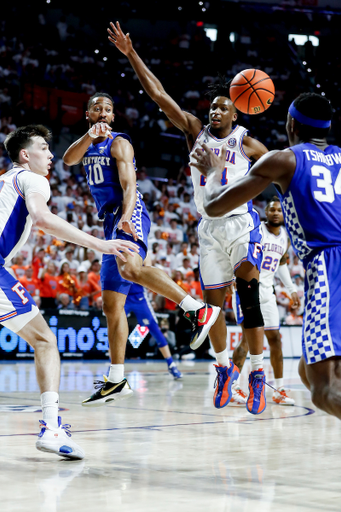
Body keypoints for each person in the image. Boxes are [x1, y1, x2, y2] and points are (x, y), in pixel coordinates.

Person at [108, 22, 269, 414]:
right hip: (209, 229)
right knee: (212, 308)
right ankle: (222, 369)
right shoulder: (194, 131)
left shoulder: (247, 141)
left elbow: (274, 174)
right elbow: (159, 95)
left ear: (237, 110)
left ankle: (257, 375)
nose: (215, 110)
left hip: (242, 223)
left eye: (223, 106)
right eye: (212, 106)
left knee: (247, 298)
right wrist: (131, 53)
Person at [62, 93, 219, 407]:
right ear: (88, 114)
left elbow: (129, 183)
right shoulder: (88, 143)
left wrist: (126, 216)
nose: (103, 113)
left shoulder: (119, 142)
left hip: (128, 211)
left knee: (131, 268)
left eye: (108, 109)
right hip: (108, 221)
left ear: (114, 116)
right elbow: (68, 159)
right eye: (97, 109)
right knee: (110, 305)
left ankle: (196, 309)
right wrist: (88, 135)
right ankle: (117, 378)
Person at [191, 92, 341, 421]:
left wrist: (213, 172)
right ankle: (235, 370)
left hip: (329, 267)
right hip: (324, 267)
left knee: (324, 389)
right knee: (307, 370)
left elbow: (215, 206)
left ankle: (254, 374)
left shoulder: (284, 159)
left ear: (291, 124)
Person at [2, 124, 139, 459]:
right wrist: (100, 244)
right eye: (44, 149)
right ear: (25, 155)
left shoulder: (5, 181)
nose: (50, 155)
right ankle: (51, 428)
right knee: (46, 342)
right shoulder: (32, 179)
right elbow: (43, 218)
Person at [231, 198, 300, 406]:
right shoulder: (257, 229)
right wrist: (232, 277)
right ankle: (232, 387)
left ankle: (279, 390)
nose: (276, 213)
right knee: (247, 339)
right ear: (266, 213)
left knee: (275, 340)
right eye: (272, 209)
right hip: (248, 289)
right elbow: (238, 251)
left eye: (279, 210)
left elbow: (282, 264)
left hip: (268, 293)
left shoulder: (284, 237)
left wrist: (291, 289)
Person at [125, 256, 182, 379]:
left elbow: (148, 272)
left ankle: (171, 364)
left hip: (139, 297)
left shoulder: (144, 252)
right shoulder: (119, 244)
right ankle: (113, 367)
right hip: (121, 295)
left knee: (155, 329)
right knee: (114, 327)